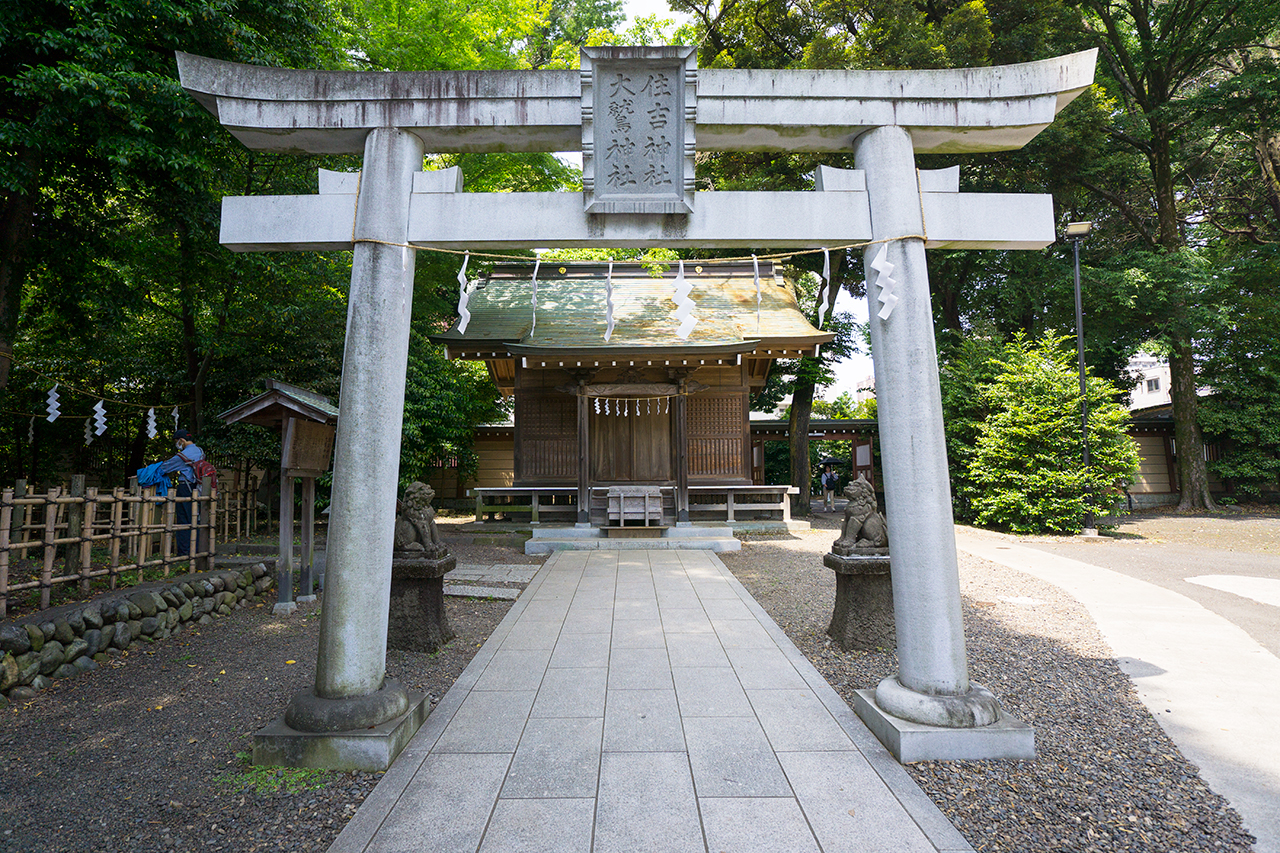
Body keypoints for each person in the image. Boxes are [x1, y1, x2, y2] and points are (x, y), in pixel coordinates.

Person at [158, 429, 204, 557]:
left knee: (184, 520)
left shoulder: (181, 456)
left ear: (181, 440)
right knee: (196, 518)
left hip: (185, 488)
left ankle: (184, 552)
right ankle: (197, 549)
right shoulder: (200, 451)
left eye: (177, 442)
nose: (177, 444)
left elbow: (164, 468)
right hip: (198, 488)